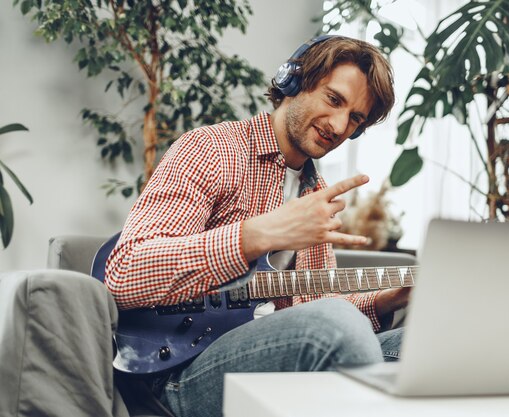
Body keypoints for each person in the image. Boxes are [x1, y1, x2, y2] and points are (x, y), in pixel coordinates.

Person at [105, 35, 410, 417]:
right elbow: (124, 272)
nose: (338, 125)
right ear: (293, 81)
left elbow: (314, 307)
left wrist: (388, 299)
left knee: (425, 345)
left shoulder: (315, 192)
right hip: (177, 372)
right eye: (334, 100)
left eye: (355, 118)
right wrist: (257, 235)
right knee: (337, 324)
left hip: (272, 359)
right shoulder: (212, 149)